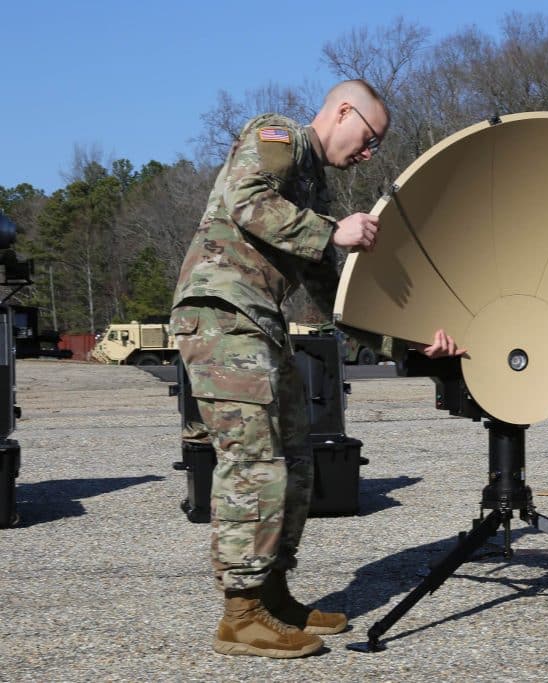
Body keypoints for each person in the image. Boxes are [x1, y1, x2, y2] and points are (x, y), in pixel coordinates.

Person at [170, 79, 461, 659]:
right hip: (221, 314)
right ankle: (241, 613)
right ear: (343, 110)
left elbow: (332, 292)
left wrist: (403, 344)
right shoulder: (275, 137)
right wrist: (333, 230)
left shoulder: (310, 182)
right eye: (369, 137)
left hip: (260, 324)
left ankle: (274, 594)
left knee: (298, 461)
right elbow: (244, 200)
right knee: (255, 462)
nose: (368, 152)